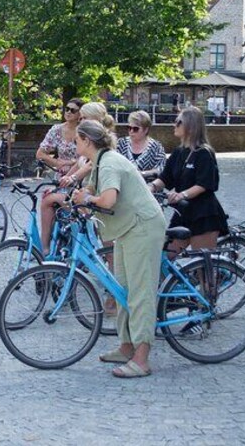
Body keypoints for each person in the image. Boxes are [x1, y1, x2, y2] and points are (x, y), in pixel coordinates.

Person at [73, 120, 166, 378]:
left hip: (142, 227)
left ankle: (141, 359)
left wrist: (88, 199)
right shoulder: (101, 161)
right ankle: (126, 346)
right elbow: (93, 189)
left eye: (77, 140)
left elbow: (109, 199)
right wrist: (81, 196)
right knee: (123, 290)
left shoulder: (110, 162)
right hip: (128, 228)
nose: (74, 144)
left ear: (87, 141)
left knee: (140, 292)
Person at [149, 106, 229, 251]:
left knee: (201, 267)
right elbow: (165, 177)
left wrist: (182, 195)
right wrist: (151, 187)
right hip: (183, 213)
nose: (175, 125)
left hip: (203, 215)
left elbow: (203, 184)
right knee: (163, 258)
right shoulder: (178, 152)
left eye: (178, 122)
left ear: (190, 127)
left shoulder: (204, 153)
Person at [36, 98, 84, 254]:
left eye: (73, 110)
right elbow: (40, 153)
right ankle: (44, 247)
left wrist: (71, 163)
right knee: (47, 199)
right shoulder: (57, 130)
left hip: (81, 178)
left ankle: (78, 245)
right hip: (62, 178)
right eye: (67, 109)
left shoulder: (83, 132)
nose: (68, 112)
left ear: (79, 115)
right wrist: (56, 162)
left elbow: (86, 160)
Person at [117, 110, 166, 180]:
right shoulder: (121, 143)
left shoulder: (156, 147)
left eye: (135, 129)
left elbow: (161, 169)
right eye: (129, 128)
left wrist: (143, 174)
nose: (131, 131)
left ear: (146, 130)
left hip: (147, 188)